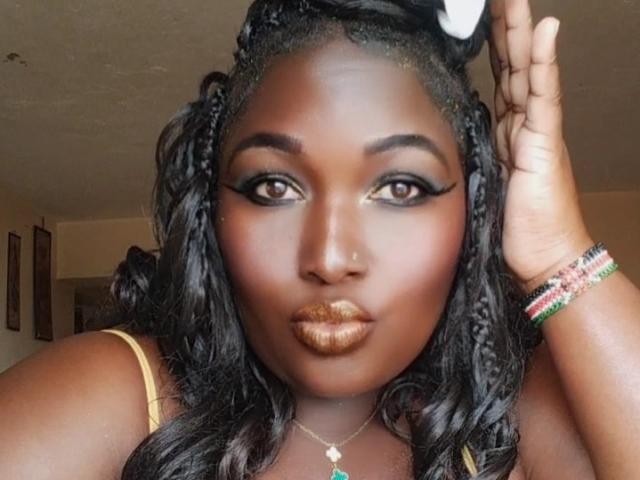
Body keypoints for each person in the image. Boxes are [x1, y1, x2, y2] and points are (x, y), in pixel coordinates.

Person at [1, 0, 639, 478]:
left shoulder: (505, 415)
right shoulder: (118, 395)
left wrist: (555, 251)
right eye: (274, 187)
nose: (331, 258)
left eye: (401, 188)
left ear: (472, 211)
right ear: (212, 207)